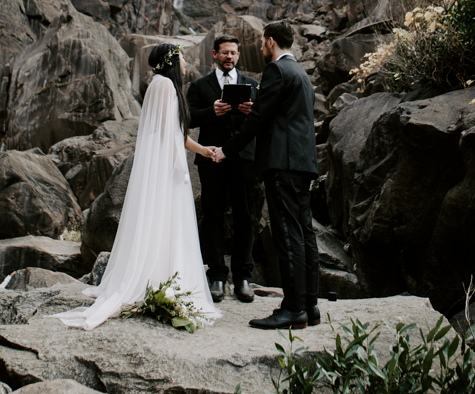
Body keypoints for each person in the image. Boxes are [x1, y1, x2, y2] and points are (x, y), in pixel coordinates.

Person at [55, 44, 221, 330]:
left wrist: (203, 150)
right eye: (181, 58)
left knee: (158, 223)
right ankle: (162, 280)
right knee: (168, 223)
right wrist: (185, 164)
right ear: (171, 61)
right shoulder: (168, 87)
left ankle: (154, 277)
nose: (185, 63)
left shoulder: (158, 84)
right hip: (167, 167)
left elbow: (173, 134)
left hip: (161, 163)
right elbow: (174, 136)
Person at [213, 21, 319, 330]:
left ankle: (293, 309)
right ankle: (310, 305)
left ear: (270, 42)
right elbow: (285, 116)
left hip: (282, 163)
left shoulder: (276, 71)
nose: (260, 48)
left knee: (287, 234)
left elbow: (259, 120)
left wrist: (227, 149)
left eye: (262, 43)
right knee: (304, 233)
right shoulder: (301, 74)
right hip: (303, 163)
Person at [187, 36, 258, 303]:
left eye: (234, 53)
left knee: (245, 216)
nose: (230, 57)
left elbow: (263, 118)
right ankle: (216, 276)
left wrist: (252, 110)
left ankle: (242, 277)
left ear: (239, 56)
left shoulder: (251, 85)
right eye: (225, 53)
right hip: (211, 158)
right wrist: (211, 111)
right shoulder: (199, 86)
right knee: (213, 215)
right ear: (214, 54)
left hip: (243, 158)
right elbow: (189, 117)